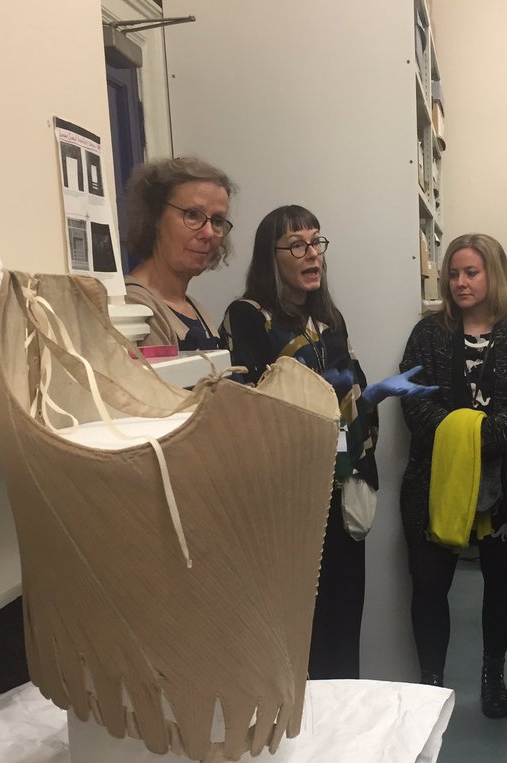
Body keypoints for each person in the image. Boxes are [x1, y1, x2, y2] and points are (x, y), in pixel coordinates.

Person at [222, 204, 433, 681]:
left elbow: (352, 391)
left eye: (316, 241)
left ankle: (342, 718)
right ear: (270, 256)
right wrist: (310, 396)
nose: (312, 253)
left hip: (339, 490)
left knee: (343, 621)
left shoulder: (328, 318)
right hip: (289, 500)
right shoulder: (249, 316)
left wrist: (374, 394)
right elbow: (246, 411)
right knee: (298, 631)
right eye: (297, 245)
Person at [399, 234, 507, 719]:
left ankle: (493, 675)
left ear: (493, 275)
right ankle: (431, 685)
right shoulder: (428, 334)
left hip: (504, 485)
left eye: (472, 272)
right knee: (429, 584)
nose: (460, 282)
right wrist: (457, 434)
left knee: (500, 582)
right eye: (454, 273)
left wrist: (484, 436)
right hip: (437, 481)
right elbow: (413, 396)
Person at [124, 156, 234, 350]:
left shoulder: (195, 309)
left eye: (217, 221)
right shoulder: (133, 308)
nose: (209, 233)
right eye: (192, 215)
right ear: (154, 217)